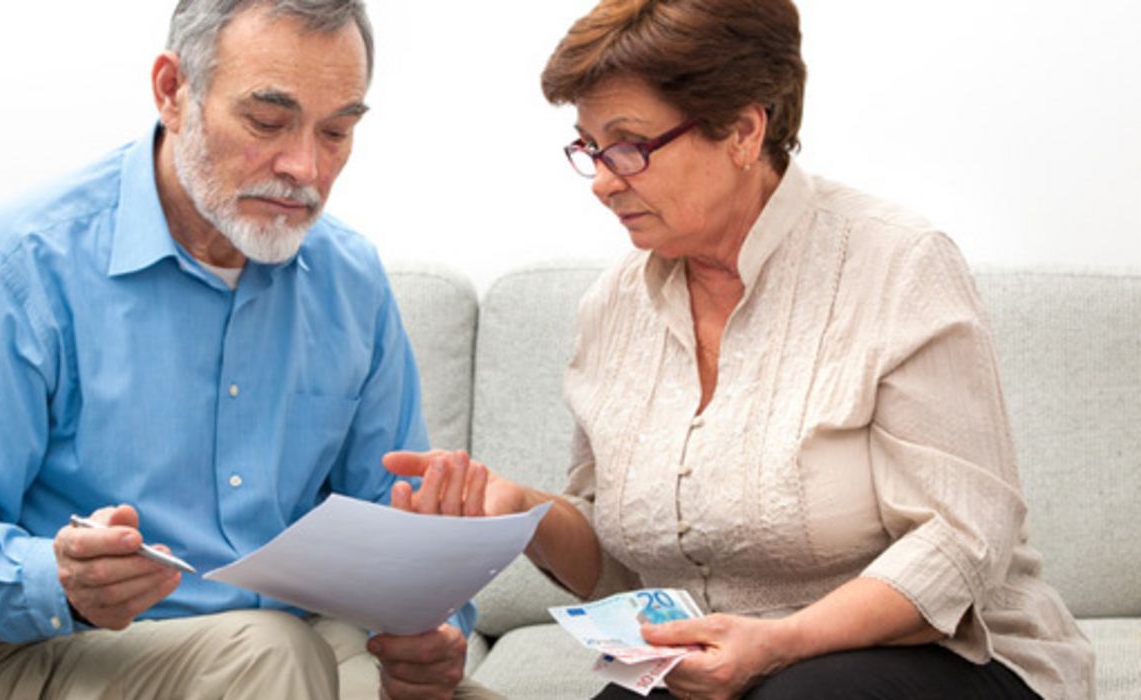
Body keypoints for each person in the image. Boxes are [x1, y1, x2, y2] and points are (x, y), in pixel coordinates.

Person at [383, 1, 1094, 699]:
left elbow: (961, 543)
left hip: (943, 657)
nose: (601, 180)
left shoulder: (897, 265)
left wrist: (778, 644)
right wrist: (524, 511)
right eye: (589, 148)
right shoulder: (612, 307)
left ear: (743, 131)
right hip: (719, 664)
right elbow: (619, 568)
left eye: (627, 146)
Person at [0, 1, 493, 698]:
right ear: (172, 91)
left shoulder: (351, 278)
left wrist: (433, 632)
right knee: (273, 653)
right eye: (267, 121)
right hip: (64, 651)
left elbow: (387, 519)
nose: (304, 167)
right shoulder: (15, 266)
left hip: (295, 648)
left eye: (336, 130)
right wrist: (59, 580)